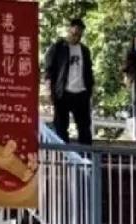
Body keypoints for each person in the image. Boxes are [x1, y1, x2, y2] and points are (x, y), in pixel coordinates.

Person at [44, 18, 94, 147]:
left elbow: (88, 71)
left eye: (79, 34)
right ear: (69, 30)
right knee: (61, 126)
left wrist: (90, 89)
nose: (76, 36)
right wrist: (49, 90)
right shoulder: (58, 48)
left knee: (84, 127)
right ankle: (64, 155)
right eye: (74, 33)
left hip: (81, 92)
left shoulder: (85, 50)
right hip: (63, 92)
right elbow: (49, 70)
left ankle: (86, 158)